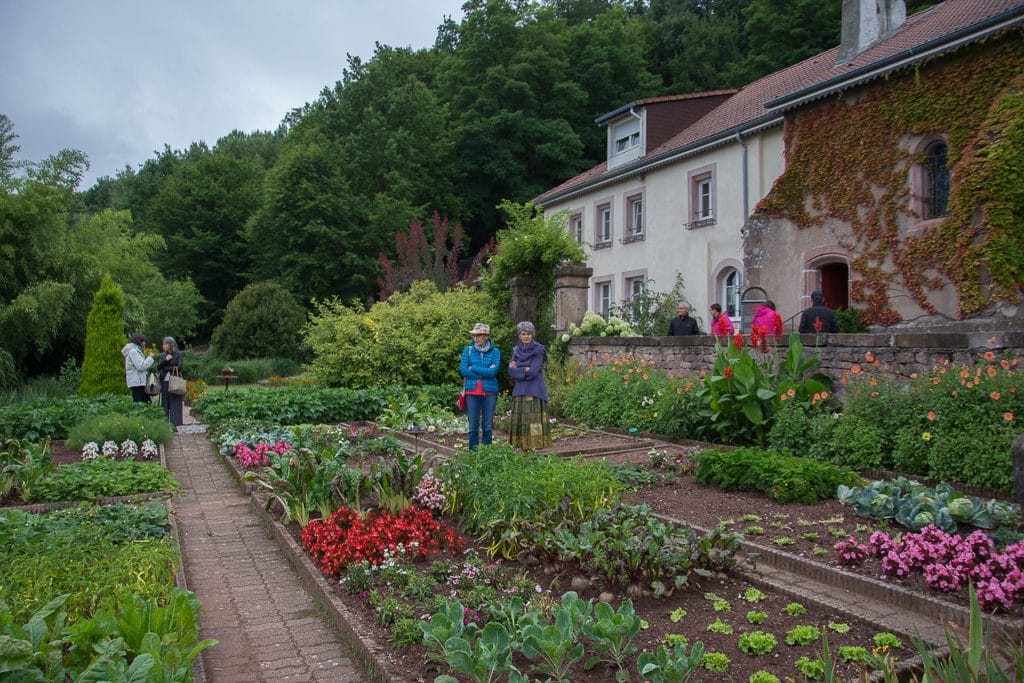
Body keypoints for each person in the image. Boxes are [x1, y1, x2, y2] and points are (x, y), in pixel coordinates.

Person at [507, 321, 551, 450]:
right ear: (519, 335)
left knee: (533, 420)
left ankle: (534, 449)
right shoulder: (516, 350)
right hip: (520, 389)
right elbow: (510, 371)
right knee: (522, 420)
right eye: (523, 334)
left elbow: (533, 372)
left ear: (533, 335)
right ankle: (523, 448)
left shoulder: (539, 350)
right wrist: (525, 368)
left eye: (529, 334)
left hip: (534, 390)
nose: (526, 336)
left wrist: (518, 367)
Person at [460, 323, 500, 451]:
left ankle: (486, 455)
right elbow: (464, 371)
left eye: (478, 335)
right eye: (474, 335)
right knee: (473, 426)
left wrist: (475, 368)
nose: (475, 338)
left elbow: (493, 372)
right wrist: (485, 371)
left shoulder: (496, 352)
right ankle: (473, 454)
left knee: (487, 425)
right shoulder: (468, 350)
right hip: (472, 392)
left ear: (486, 336)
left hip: (490, 392)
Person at [156, 336, 184, 430]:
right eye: (163, 344)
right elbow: (159, 367)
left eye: (165, 344)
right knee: (165, 403)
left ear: (171, 344)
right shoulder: (163, 355)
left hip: (174, 381)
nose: (163, 346)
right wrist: (166, 361)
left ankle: (174, 424)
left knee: (175, 402)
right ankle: (165, 423)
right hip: (164, 381)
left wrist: (167, 367)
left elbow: (180, 366)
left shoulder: (178, 354)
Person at [122, 333, 155, 402]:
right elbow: (140, 366)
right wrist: (150, 358)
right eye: (143, 341)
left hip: (138, 381)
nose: (144, 343)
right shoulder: (133, 351)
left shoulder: (135, 350)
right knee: (141, 403)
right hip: (137, 382)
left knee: (146, 402)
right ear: (138, 341)